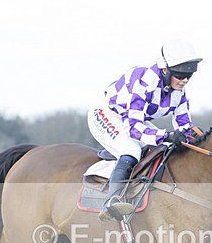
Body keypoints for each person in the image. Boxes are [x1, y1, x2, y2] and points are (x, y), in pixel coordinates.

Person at [87, 39, 203, 221]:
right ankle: (112, 201)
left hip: (135, 120)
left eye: (189, 75)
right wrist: (167, 135)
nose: (185, 80)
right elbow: (133, 128)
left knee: (165, 146)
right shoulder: (144, 81)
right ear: (165, 69)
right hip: (107, 115)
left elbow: (184, 126)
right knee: (131, 150)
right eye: (180, 75)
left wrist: (193, 137)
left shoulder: (179, 92)